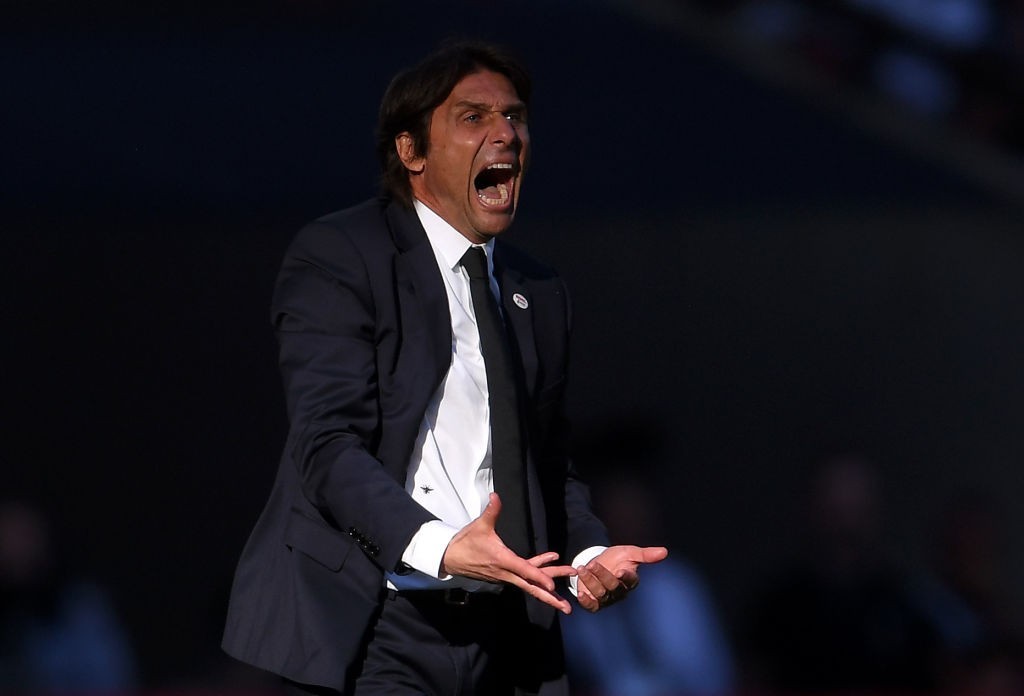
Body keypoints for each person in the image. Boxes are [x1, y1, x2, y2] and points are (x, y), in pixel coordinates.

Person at [222, 40, 667, 695]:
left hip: (508, 637)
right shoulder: (342, 256)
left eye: (515, 117)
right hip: (380, 627)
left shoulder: (537, 289)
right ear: (412, 153)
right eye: (473, 117)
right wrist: (437, 543)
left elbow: (546, 464)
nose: (505, 135)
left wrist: (591, 553)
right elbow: (327, 446)